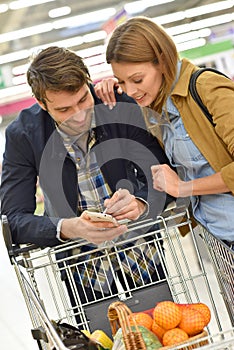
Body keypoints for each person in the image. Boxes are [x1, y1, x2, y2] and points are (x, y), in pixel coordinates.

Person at [0, 46, 173, 305]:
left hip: (141, 249)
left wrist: (140, 201)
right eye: (64, 109)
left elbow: (163, 173)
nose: (79, 116)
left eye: (83, 99)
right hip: (80, 265)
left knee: (164, 327)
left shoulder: (117, 106)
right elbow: (13, 219)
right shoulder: (24, 135)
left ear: (88, 82)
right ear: (42, 104)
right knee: (101, 341)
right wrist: (69, 228)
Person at [94, 16, 234, 246]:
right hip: (220, 241)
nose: (130, 91)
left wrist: (183, 188)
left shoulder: (207, 88)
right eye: (122, 82)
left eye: (137, 79)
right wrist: (109, 88)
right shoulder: (156, 110)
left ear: (162, 61)